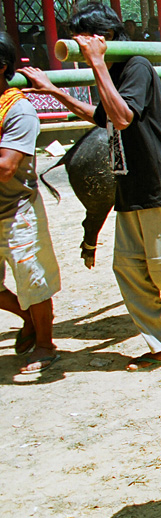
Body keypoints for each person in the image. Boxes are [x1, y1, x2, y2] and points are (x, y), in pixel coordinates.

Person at [20, 3, 161, 371]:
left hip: (159, 187)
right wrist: (53, 90)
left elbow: (121, 117)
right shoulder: (116, 73)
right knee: (128, 270)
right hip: (130, 190)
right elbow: (101, 116)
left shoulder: (136, 65)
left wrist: (96, 64)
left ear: (100, 40)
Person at [0, 33, 60, 373]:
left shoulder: (19, 109)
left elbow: (6, 167)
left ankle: (44, 343)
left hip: (17, 209)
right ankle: (28, 319)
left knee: (32, 279)